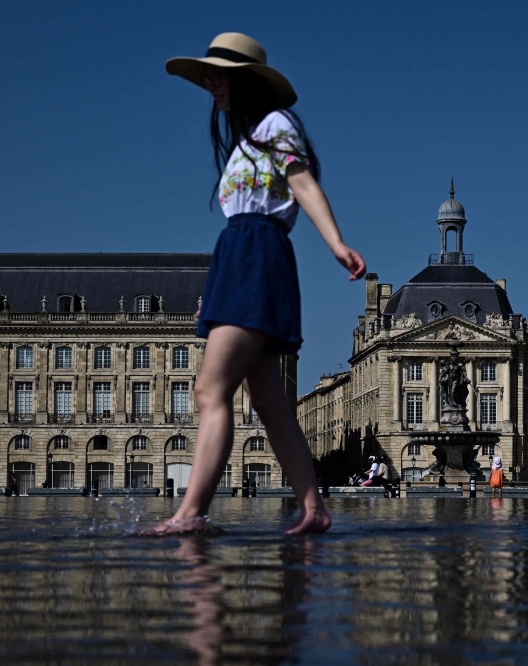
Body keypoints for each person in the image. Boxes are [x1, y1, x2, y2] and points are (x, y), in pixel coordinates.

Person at [145, 33, 365, 536]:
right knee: (266, 399)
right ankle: (313, 507)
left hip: (256, 255)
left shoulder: (275, 124)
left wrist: (336, 243)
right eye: (208, 78)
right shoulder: (247, 141)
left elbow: (303, 182)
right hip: (238, 255)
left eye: (219, 76)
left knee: (210, 388)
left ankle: (191, 513)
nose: (212, 86)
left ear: (245, 80)